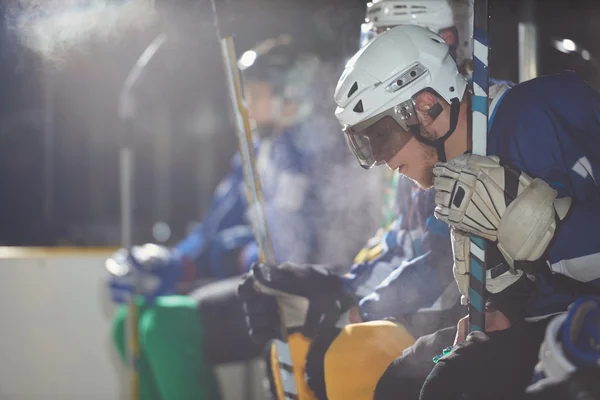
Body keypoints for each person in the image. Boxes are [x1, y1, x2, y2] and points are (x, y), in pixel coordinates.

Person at [332, 24, 600, 399]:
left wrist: (549, 229)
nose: (385, 161)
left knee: (452, 385)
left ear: (427, 106)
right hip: (540, 322)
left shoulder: (538, 111)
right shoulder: (449, 175)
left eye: (383, 137)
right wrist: (503, 310)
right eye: (367, 146)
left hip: (583, 325)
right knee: (400, 382)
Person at [106, 35, 381, 400]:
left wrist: (237, 252)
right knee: (128, 322)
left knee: (166, 326)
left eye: (256, 94)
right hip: (255, 284)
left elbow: (300, 247)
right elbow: (215, 226)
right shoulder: (257, 151)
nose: (247, 107)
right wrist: (172, 263)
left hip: (303, 297)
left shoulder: (322, 152)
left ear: (291, 95)